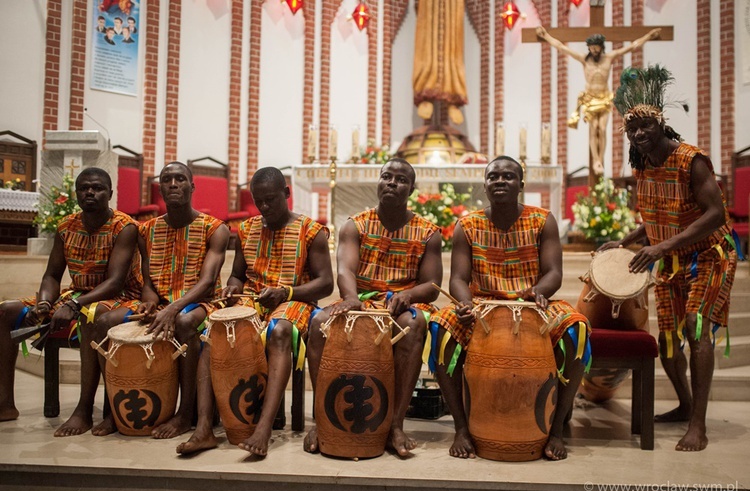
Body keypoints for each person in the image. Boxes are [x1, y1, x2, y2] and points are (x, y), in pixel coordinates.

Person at [602, 65, 740, 452]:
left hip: (710, 257)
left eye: (645, 125)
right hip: (672, 261)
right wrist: (623, 241)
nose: (639, 133)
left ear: (661, 123)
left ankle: (699, 424)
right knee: (666, 341)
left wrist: (661, 248)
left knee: (695, 328)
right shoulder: (642, 165)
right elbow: (656, 221)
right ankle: (684, 405)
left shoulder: (691, 160)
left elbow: (716, 215)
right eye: (632, 129)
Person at [430, 156, 591, 460]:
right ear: (485, 185)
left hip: (533, 301)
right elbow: (458, 278)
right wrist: (464, 304)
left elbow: (553, 273)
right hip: (481, 305)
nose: (500, 181)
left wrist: (538, 293)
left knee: (576, 329)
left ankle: (556, 430)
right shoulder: (467, 224)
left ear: (521, 184)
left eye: (508, 176)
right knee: (440, 327)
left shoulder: (542, 220)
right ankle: (461, 427)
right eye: (493, 177)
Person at [177, 167, 333, 456]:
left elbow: (325, 284)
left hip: (295, 299)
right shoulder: (247, 229)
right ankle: (203, 428)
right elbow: (237, 274)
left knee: (280, 330)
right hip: (255, 298)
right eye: (258, 201)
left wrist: (286, 292)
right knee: (216, 329)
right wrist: (232, 288)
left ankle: (263, 428)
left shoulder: (312, 231)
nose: (264, 207)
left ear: (287, 194)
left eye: (271, 199)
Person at [304, 158, 443, 457]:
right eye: (386, 176)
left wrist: (407, 294)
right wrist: (351, 297)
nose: (392, 183)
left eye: (400, 179)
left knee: (414, 324)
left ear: (412, 189)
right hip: (360, 297)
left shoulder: (428, 231)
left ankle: (395, 425)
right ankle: (322, 421)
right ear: (378, 182)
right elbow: (345, 270)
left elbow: (431, 285)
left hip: (399, 303)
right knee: (317, 324)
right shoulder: (356, 224)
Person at [0, 168, 142, 437]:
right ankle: (5, 404)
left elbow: (114, 281)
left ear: (110, 193)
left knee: (90, 314)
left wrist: (74, 306)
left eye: (98, 188)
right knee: (6, 311)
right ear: (76, 193)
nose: (90, 192)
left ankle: (84, 410)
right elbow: (52, 275)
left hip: (120, 297)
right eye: (84, 188)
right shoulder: (66, 226)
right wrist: (44, 303)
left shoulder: (124, 227)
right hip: (76, 293)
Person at [134, 161, 229, 439]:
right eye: (167, 180)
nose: (173, 184)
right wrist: (149, 301)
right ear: (160, 187)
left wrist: (173, 309)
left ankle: (186, 414)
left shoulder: (215, 228)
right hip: (165, 304)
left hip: (204, 303)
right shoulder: (146, 231)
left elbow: (208, 281)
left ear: (192, 187)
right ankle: (115, 412)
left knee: (186, 321)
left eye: (180, 179)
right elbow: (148, 282)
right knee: (108, 321)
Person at [535, 26, 661, 177]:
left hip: (604, 99)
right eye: (591, 48)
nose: (594, 51)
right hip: (590, 100)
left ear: (602, 48)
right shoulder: (584, 59)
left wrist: (648, 36)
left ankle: (600, 158)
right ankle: (596, 160)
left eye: (596, 48)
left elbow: (632, 46)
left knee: (601, 129)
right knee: (593, 128)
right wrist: (546, 36)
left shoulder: (609, 58)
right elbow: (562, 47)